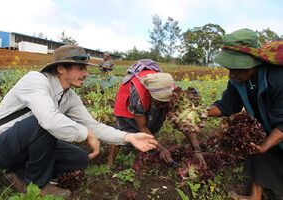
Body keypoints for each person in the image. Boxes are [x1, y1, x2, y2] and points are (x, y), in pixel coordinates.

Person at [0, 45, 158, 198]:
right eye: (81, 68)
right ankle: (38, 186)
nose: (86, 73)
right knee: (43, 124)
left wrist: (129, 137)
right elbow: (49, 120)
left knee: (80, 159)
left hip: (23, 148)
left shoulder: (69, 97)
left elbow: (92, 125)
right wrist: (85, 134)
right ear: (61, 68)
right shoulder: (35, 80)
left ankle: (18, 174)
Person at [207, 28, 283, 200]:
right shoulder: (237, 79)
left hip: (280, 131)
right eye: (229, 68)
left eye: (237, 68)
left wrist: (265, 145)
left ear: (254, 62)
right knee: (253, 137)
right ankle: (255, 196)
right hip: (270, 130)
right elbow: (228, 104)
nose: (231, 74)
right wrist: (202, 113)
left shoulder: (278, 78)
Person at [108, 59, 206, 167]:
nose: (163, 105)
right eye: (160, 102)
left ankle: (140, 157)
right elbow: (142, 127)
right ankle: (110, 164)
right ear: (151, 95)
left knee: (152, 126)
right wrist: (161, 149)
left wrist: (197, 150)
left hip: (149, 101)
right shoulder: (138, 95)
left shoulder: (173, 92)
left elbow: (185, 123)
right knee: (122, 130)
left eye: (165, 102)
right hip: (126, 102)